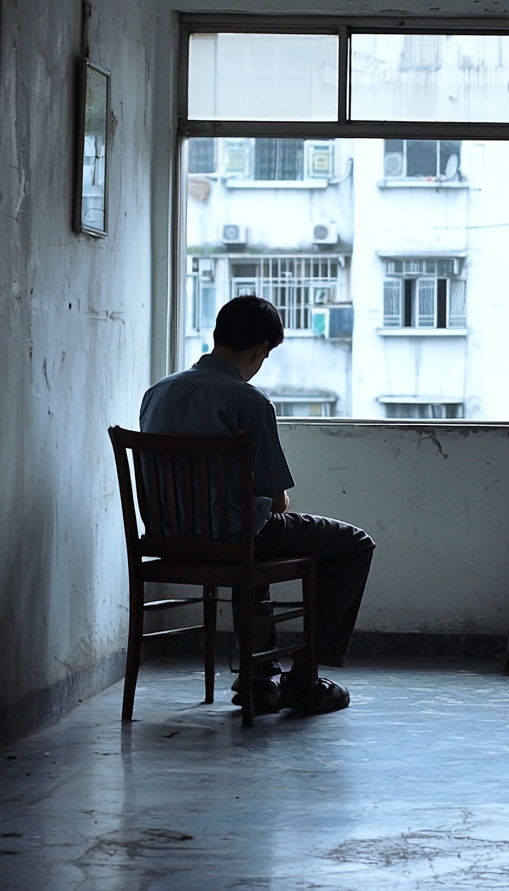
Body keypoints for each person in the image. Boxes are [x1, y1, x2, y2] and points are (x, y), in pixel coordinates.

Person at [140, 295, 375, 714]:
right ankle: (304, 676)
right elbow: (278, 501)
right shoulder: (248, 401)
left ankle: (259, 679)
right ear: (259, 349)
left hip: (169, 537)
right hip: (237, 536)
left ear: (218, 336)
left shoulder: (157, 393)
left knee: (250, 532)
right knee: (354, 543)